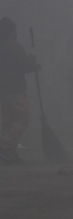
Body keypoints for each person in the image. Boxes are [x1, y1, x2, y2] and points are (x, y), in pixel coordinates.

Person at [0, 17, 40, 164]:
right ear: (12, 32)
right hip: (16, 89)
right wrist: (33, 62)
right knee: (22, 118)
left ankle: (8, 155)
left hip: (3, 90)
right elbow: (23, 65)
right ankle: (4, 147)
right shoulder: (15, 47)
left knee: (8, 121)